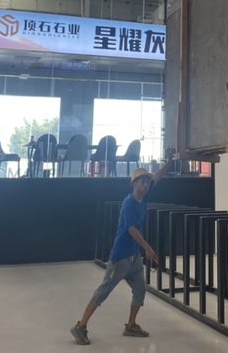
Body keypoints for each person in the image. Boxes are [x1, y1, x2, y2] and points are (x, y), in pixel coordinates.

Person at [70, 148, 175, 345]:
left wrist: (169, 161)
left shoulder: (145, 196)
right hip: (120, 258)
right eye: (141, 182)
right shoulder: (129, 203)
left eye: (146, 182)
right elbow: (131, 229)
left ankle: (131, 325)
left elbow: (157, 177)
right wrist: (148, 248)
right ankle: (81, 326)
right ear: (134, 184)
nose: (145, 185)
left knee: (140, 290)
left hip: (134, 259)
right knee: (103, 291)